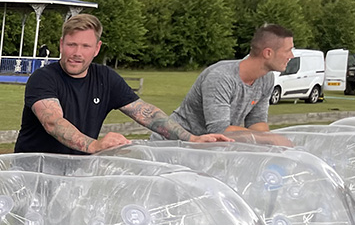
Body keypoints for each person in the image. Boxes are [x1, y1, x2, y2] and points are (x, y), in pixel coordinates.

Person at [14, 13, 230, 155]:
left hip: (76, 175)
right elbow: (53, 122)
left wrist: (191, 139)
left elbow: (145, 113)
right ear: (61, 44)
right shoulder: (43, 78)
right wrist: (94, 145)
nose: (77, 53)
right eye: (72, 45)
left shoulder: (105, 78)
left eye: (85, 46)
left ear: (97, 49)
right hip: (32, 175)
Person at [171, 24, 296, 141]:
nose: (291, 56)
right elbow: (220, 129)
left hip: (207, 148)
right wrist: (270, 139)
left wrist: (270, 144)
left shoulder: (266, 78)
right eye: (288, 50)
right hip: (175, 144)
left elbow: (257, 121)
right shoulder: (221, 77)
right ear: (268, 53)